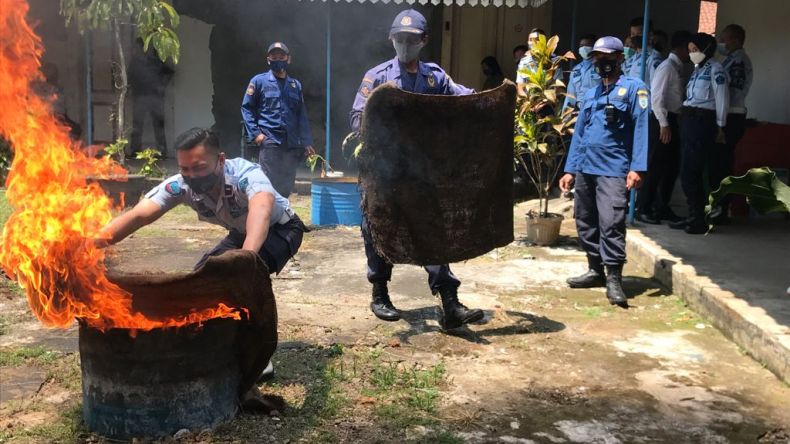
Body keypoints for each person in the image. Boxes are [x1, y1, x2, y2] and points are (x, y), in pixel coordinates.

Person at [96, 127, 307, 381]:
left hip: (282, 229)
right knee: (199, 280)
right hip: (240, 232)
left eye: (198, 167)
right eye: (185, 169)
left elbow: (261, 211)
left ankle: (259, 357)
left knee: (236, 280)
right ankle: (216, 343)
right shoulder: (180, 185)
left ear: (220, 159)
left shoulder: (245, 175)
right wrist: (89, 243)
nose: (191, 176)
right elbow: (139, 216)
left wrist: (245, 260)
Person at [349, 9, 483, 330]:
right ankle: (380, 293)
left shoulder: (435, 77)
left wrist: (495, 99)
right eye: (400, 38)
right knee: (377, 229)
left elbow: (463, 99)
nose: (405, 44)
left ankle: (450, 303)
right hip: (383, 172)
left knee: (431, 231)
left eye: (411, 39)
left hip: (421, 174)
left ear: (423, 40)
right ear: (391, 39)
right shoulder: (377, 77)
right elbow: (356, 118)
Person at [559, 36, 649, 308]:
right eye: (598, 58)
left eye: (608, 57)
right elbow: (580, 134)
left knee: (611, 222)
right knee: (585, 220)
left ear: (620, 58)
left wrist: (637, 167)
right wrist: (570, 169)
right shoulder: (591, 93)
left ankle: (614, 278)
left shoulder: (634, 88)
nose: (602, 62)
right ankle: (595, 269)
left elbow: (642, 128)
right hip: (586, 167)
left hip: (614, 168)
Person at [669, 33, 730, 234]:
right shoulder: (698, 70)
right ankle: (692, 214)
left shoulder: (716, 69)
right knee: (686, 170)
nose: (692, 53)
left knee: (692, 171)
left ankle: (699, 219)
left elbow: (722, 98)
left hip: (703, 122)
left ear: (706, 49)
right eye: (690, 50)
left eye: (695, 49)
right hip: (689, 121)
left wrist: (720, 126)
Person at [241, 42, 315, 198]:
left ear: (289, 59)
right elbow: (247, 108)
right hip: (270, 142)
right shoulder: (259, 81)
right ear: (268, 60)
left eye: (281, 56)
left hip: (291, 143)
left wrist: (307, 142)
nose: (278, 60)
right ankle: (268, 212)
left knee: (286, 184)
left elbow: (301, 115)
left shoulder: (295, 85)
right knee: (268, 184)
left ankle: (283, 212)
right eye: (274, 57)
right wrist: (256, 134)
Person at [637, 30, 692, 225]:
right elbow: (656, 97)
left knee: (670, 166)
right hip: (662, 120)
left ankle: (662, 206)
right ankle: (644, 208)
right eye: (689, 49)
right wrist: (664, 124)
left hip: (671, 119)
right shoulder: (667, 67)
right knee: (655, 166)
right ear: (681, 48)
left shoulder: (677, 68)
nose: (691, 53)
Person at [710, 24, 753, 224]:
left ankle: (721, 208)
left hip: (731, 117)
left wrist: (721, 117)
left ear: (735, 40)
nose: (720, 42)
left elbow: (732, 91)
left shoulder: (738, 61)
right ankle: (717, 205)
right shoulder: (730, 59)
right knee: (718, 163)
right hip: (726, 116)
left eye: (724, 39)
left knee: (722, 164)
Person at [129, 39, 173, 158]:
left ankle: (162, 151)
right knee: (137, 126)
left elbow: (169, 72)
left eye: (138, 47)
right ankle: (134, 151)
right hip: (139, 98)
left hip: (155, 98)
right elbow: (129, 78)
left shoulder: (154, 61)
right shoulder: (134, 63)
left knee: (159, 126)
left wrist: (162, 86)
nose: (136, 50)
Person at [516, 28, 563, 97]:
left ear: (543, 41)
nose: (533, 42)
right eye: (530, 40)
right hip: (530, 100)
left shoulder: (554, 61)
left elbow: (558, 88)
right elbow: (520, 88)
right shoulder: (523, 62)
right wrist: (528, 100)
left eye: (536, 39)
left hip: (549, 100)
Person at [563, 34, 600, 112]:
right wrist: (565, 113)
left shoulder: (600, 67)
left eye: (587, 45)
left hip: (597, 108)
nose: (583, 48)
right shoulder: (576, 69)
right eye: (581, 46)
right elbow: (570, 94)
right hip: (579, 110)